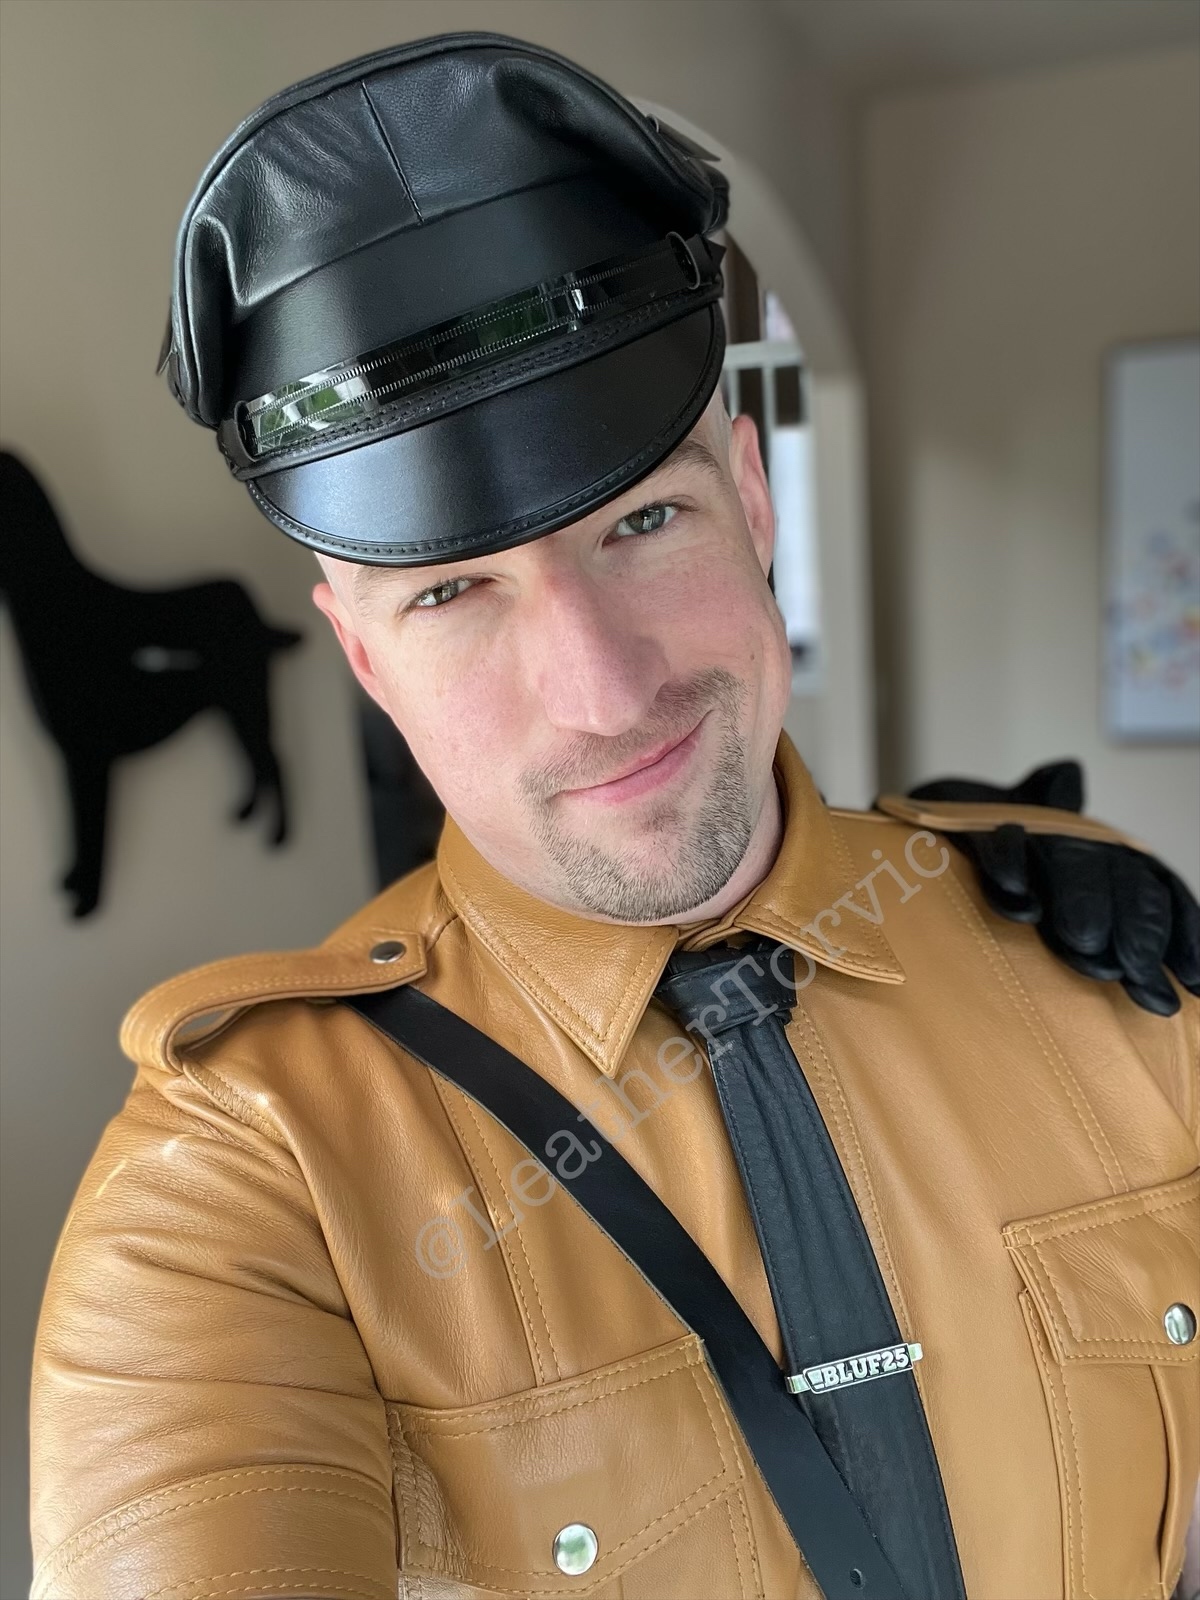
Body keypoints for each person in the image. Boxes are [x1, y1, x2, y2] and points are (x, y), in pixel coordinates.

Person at [29, 33, 1199, 1600]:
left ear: (753, 502)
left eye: (645, 520)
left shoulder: (1111, 967)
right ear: (365, 658)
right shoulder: (252, 1181)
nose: (600, 692)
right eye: (453, 593)